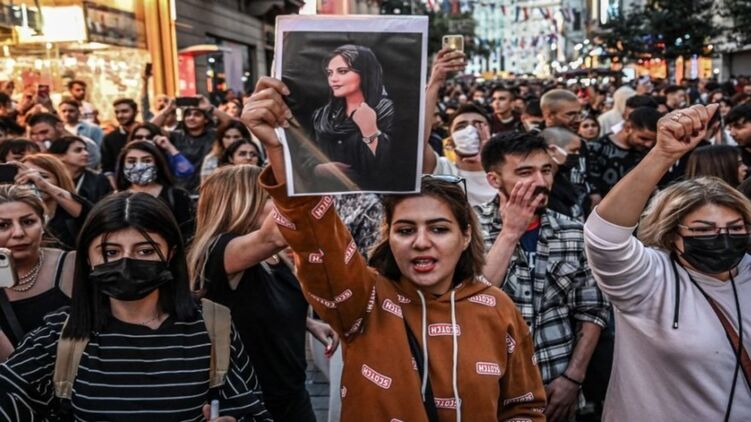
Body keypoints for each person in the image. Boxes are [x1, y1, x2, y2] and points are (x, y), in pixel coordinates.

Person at [243, 76, 546, 421]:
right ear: (388, 238)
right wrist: (281, 150)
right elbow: (318, 239)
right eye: (405, 230)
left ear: (465, 237)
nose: (421, 241)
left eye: (439, 228)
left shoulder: (497, 308)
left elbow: (523, 408)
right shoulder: (364, 302)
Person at [0, 192, 273, 420]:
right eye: (111, 252)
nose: (127, 262)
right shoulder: (61, 332)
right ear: (88, 258)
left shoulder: (212, 325)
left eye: (145, 251)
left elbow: (253, 410)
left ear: (170, 254)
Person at [584, 103, 751, 420]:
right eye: (703, 230)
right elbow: (604, 236)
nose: (722, 237)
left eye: (735, 228)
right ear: (672, 234)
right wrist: (661, 155)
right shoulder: (649, 279)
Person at [475, 132, 609, 422]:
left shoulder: (573, 232)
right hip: (490, 388)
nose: (541, 181)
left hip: (556, 387)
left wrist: (573, 378)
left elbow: (592, 311)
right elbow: (472, 302)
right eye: (525, 172)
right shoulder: (469, 229)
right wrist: (511, 233)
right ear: (494, 179)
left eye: (546, 170)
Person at [189, 165, 338, 422]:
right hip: (253, 402)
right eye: (270, 196)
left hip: (293, 394)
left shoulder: (271, 257)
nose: (278, 202)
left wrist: (306, 322)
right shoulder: (218, 251)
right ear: (241, 203)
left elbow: (257, 303)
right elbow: (276, 234)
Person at [0, 185, 75, 361]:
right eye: (3, 225)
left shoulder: (72, 264)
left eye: (28, 222)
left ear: (43, 223)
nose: (18, 233)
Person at [306, 44, 394, 191]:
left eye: (342, 71)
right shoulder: (322, 116)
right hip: (327, 197)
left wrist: (371, 131)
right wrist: (319, 169)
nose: (333, 79)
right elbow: (303, 153)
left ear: (365, 73)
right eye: (330, 73)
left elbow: (398, 164)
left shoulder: (388, 111)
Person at [423, 49, 496, 207]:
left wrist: (489, 159)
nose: (470, 130)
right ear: (449, 140)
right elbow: (417, 144)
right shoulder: (442, 169)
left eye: (478, 124)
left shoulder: (504, 172)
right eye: (461, 126)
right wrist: (434, 83)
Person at [115, 141, 194, 242]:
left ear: (157, 163)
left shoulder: (178, 196)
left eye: (147, 160)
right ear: (122, 165)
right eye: (131, 161)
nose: (139, 166)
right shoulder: (115, 199)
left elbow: (188, 234)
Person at [152, 96, 232, 192]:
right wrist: (167, 110)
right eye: (188, 115)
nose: (191, 118)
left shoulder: (214, 135)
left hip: (209, 187)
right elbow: (149, 128)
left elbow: (235, 125)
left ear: (206, 119)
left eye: (197, 115)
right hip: (181, 189)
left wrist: (210, 108)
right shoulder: (175, 136)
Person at [17, 154, 91, 250]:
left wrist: (45, 186)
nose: (34, 181)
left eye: (43, 176)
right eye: (25, 177)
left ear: (59, 179)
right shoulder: (11, 213)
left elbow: (91, 214)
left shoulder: (70, 213)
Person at [587, 107, 661, 197]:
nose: (648, 144)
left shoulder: (648, 153)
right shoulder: (595, 149)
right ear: (628, 128)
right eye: (643, 138)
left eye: (653, 141)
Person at [47, 136, 112, 204]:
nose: (86, 153)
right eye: (78, 150)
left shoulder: (99, 179)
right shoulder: (51, 178)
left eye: (85, 149)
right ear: (60, 156)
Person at [27, 112, 99, 167]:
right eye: (35, 134)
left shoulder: (85, 145)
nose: (41, 138)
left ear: (59, 126)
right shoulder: (43, 148)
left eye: (44, 132)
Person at [128, 122, 196, 179]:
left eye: (149, 137)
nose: (144, 140)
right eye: (139, 137)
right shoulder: (127, 156)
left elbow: (187, 171)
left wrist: (170, 147)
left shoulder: (164, 157)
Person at [101, 98, 140, 178]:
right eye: (117, 112)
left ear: (135, 112)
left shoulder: (146, 133)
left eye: (124, 111)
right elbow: (108, 169)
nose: (120, 115)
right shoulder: (109, 138)